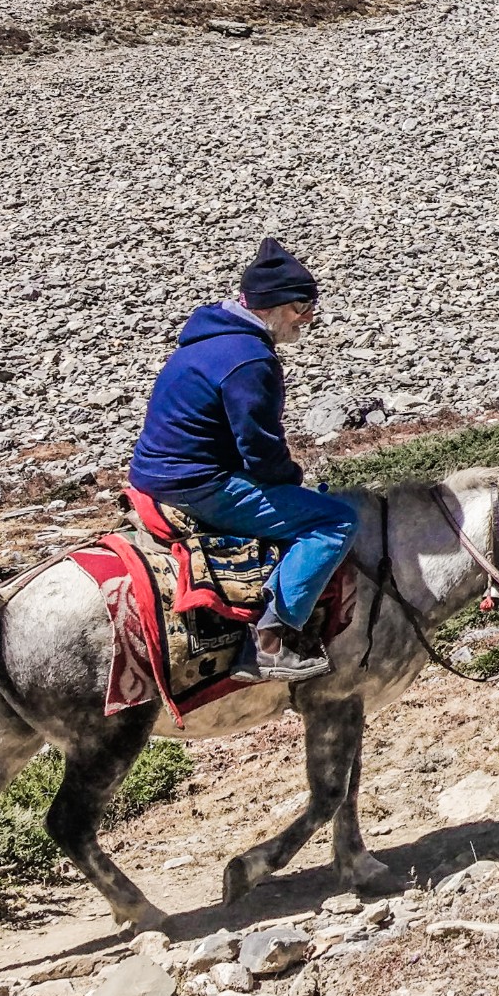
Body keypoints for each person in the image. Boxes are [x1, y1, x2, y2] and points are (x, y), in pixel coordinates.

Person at [129, 238, 360, 683]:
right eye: (300, 306)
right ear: (270, 306)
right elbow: (260, 448)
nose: (308, 318)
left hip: (156, 476)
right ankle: (273, 639)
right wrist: (292, 482)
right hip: (199, 485)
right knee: (334, 522)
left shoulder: (207, 339)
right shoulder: (251, 360)